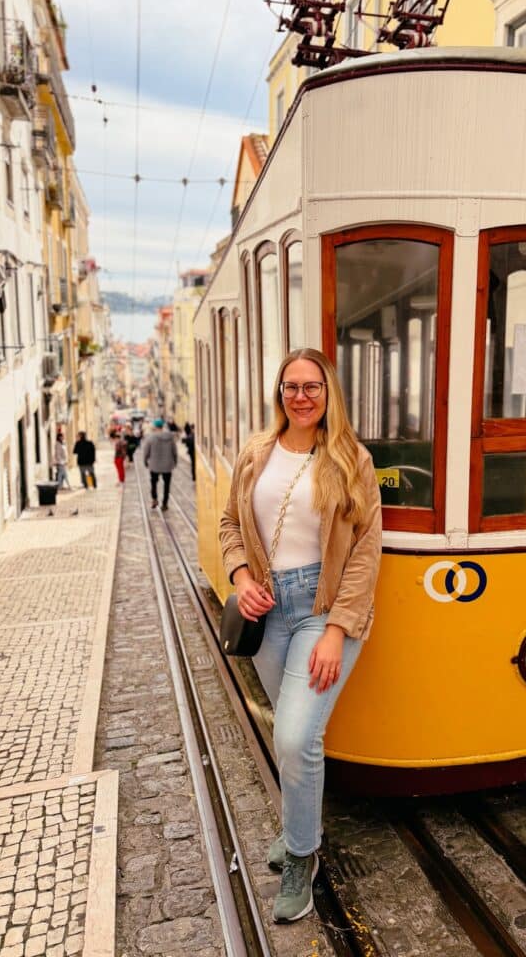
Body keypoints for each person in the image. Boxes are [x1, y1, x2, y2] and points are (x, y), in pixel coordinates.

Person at [219, 348, 381, 924]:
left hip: (322, 607)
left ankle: (301, 856)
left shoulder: (350, 459)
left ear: (328, 393)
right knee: (293, 738)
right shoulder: (256, 453)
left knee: (293, 737)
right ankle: (297, 831)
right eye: (292, 386)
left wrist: (337, 630)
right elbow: (231, 525)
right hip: (268, 611)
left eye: (313, 386)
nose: (302, 396)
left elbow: (365, 552)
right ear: (279, 393)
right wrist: (240, 577)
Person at [142, 417, 178, 510]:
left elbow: (146, 451)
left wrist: (145, 461)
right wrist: (175, 461)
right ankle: (165, 504)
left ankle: (154, 499)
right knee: (167, 485)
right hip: (167, 465)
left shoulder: (151, 437)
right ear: (162, 426)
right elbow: (174, 451)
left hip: (154, 465)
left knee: (153, 483)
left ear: (155, 427)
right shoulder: (170, 437)